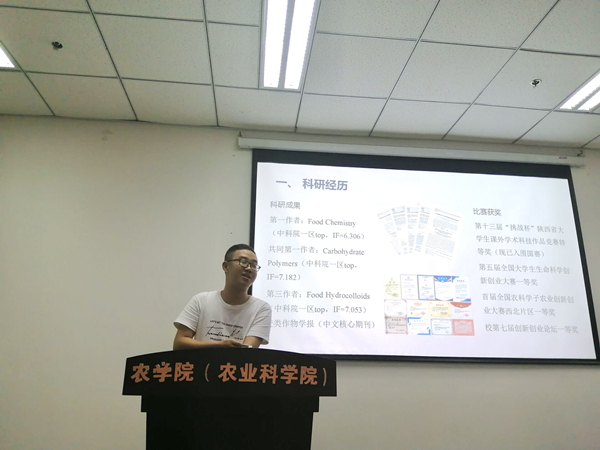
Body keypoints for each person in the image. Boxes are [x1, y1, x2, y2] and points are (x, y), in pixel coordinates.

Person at [173, 244, 271, 349]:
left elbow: (247, 352)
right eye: (243, 262)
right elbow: (179, 343)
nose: (249, 268)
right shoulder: (201, 301)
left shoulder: (261, 308)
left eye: (254, 265)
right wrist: (219, 346)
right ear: (226, 266)